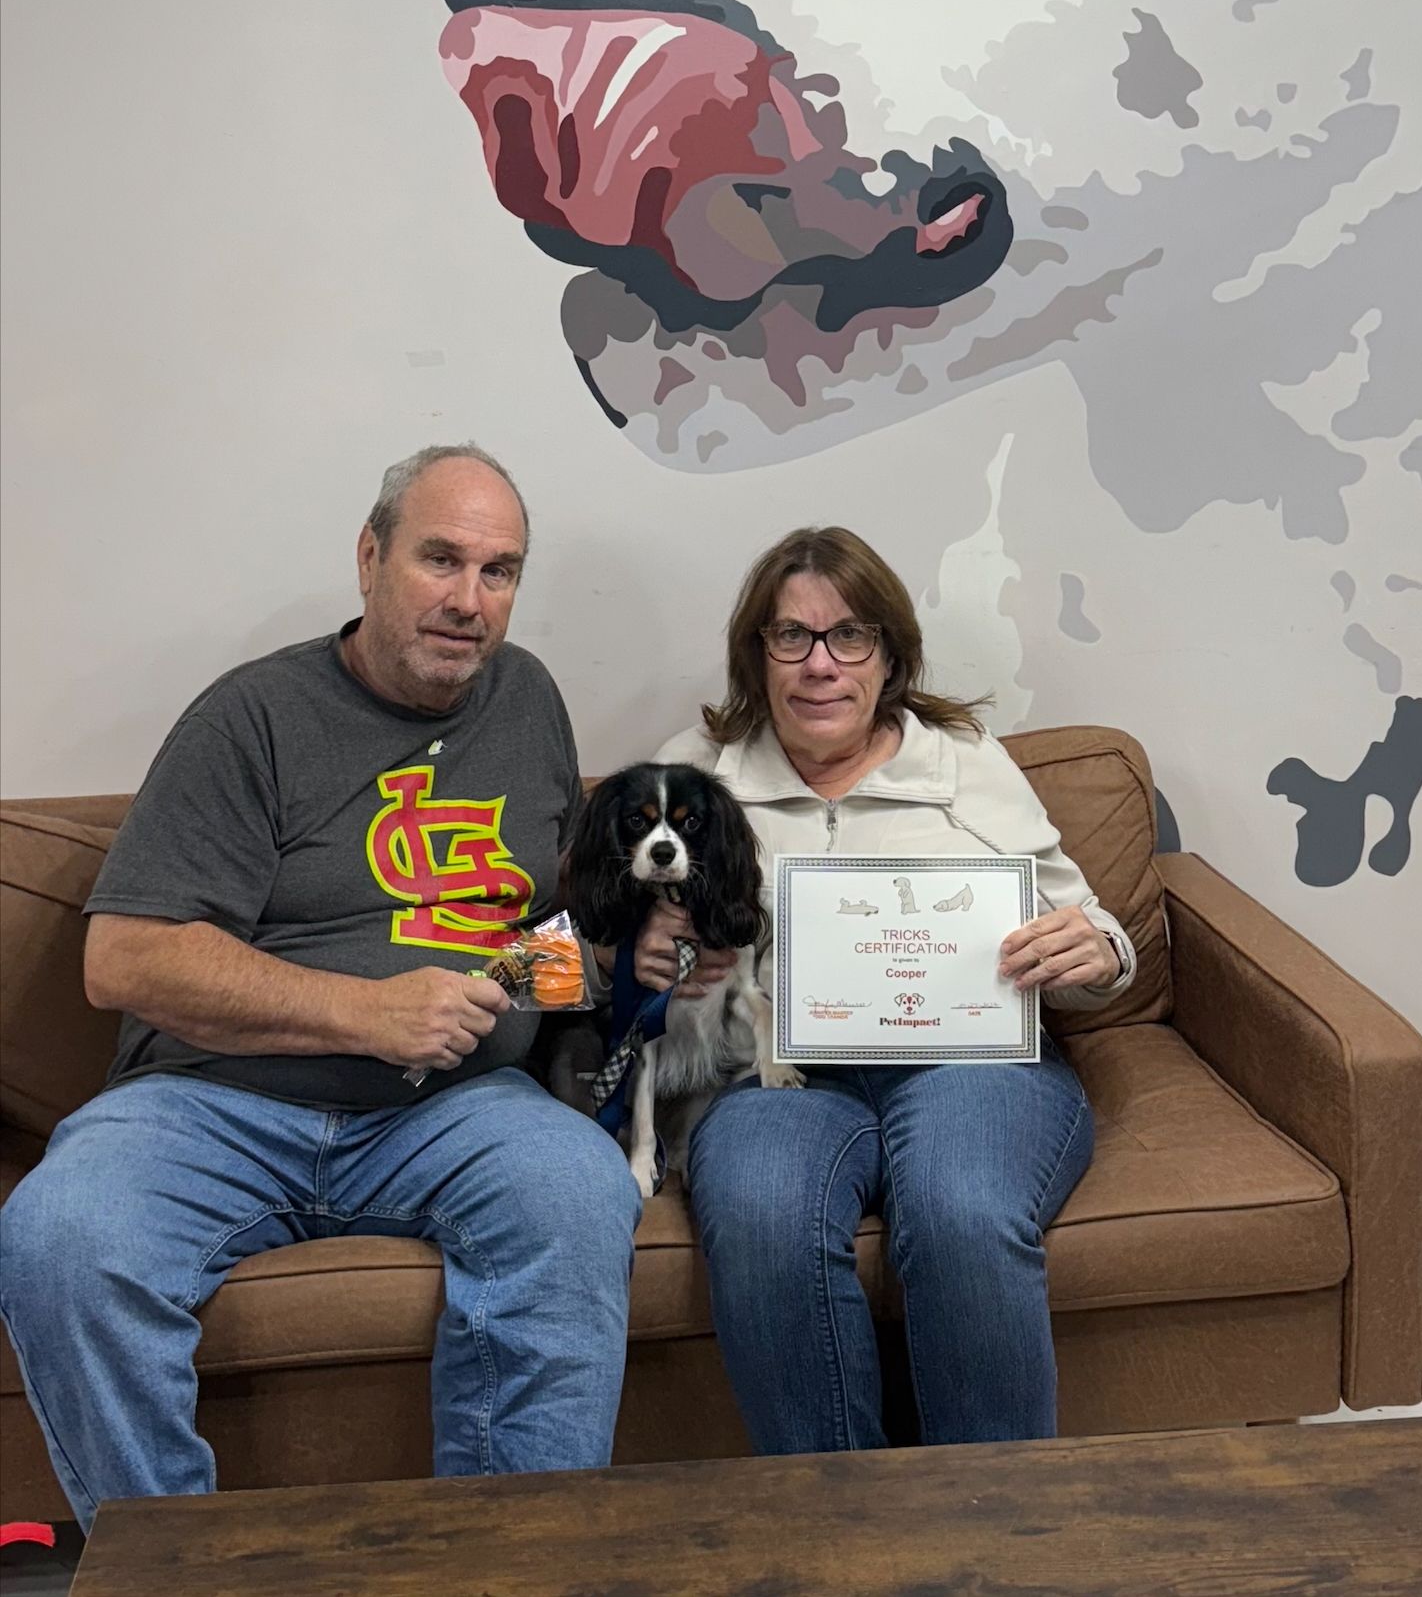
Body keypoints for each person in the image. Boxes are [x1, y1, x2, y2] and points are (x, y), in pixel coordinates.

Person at [0, 446, 641, 1529]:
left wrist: (620, 963)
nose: (469, 600)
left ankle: (507, 1560)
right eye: (441, 559)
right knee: (62, 1233)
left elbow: (542, 926)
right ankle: (176, 1569)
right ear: (369, 556)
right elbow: (125, 958)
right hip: (215, 1104)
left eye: (498, 571)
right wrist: (366, 1010)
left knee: (577, 1189)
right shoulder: (250, 717)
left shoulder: (527, 698)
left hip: (455, 1110)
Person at [650, 524, 1136, 1454]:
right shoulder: (694, 775)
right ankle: (839, 1519)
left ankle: (995, 1519)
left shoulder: (962, 760)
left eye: (849, 636)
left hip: (971, 1065)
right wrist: (659, 959)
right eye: (790, 636)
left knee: (962, 1210)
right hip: (774, 1077)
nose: (819, 664)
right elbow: (625, 963)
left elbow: (1089, 928)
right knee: (761, 1219)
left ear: (889, 655)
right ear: (756, 655)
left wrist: (1099, 953)